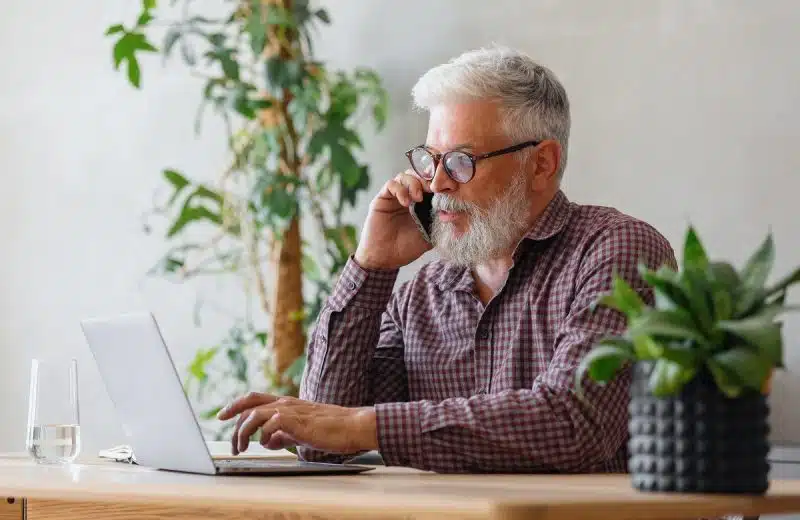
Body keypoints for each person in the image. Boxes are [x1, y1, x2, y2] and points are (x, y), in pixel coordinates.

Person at [216, 45, 677, 474]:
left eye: (460, 161)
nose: (436, 183)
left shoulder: (617, 251)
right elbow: (322, 443)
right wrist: (371, 266)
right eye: (429, 160)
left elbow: (575, 424)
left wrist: (363, 426)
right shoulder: (424, 290)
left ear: (541, 164)